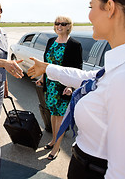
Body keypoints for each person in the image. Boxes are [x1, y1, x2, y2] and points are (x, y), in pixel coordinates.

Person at [28, 0, 125, 178]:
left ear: (110, 8)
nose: (89, 15)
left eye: (91, 6)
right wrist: (47, 68)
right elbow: (90, 79)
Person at [35, 16, 82, 160]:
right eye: (57, 23)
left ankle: (56, 147)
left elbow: (77, 67)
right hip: (50, 85)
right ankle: (54, 139)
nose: (59, 26)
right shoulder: (51, 42)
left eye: (63, 24)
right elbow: (46, 63)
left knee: (60, 117)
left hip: (63, 86)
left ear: (69, 26)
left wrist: (70, 85)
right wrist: (42, 76)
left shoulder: (74, 45)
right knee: (54, 114)